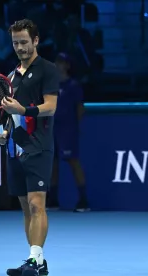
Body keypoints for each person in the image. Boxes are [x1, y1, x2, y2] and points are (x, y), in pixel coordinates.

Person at [0, 19, 59, 276]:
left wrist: (23, 109)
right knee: (25, 208)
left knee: (36, 205)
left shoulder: (48, 69)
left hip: (39, 146)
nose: (20, 47)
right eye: (15, 43)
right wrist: (5, 133)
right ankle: (38, 263)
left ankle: (34, 259)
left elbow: (50, 107)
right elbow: (11, 115)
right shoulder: (10, 76)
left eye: (24, 42)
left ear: (36, 40)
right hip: (15, 148)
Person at [48, 52, 89, 212]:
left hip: (67, 130)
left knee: (73, 162)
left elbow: (80, 108)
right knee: (53, 164)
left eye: (61, 63)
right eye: (56, 62)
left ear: (67, 66)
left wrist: (73, 127)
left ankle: (84, 200)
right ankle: (53, 200)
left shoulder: (73, 86)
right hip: (52, 129)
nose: (57, 65)